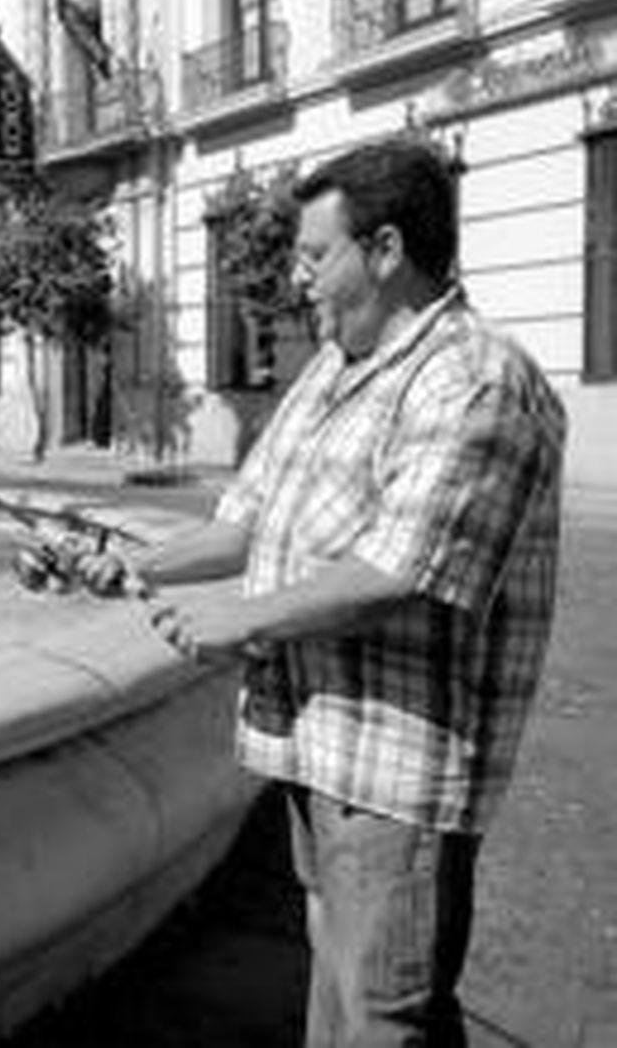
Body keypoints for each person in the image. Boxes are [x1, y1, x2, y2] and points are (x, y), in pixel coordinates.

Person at [55, 138, 566, 1047]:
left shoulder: (478, 382)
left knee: (385, 1018)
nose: (297, 278)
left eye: (313, 255)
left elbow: (401, 571)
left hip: (397, 775)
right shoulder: (332, 370)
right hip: (314, 745)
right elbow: (244, 524)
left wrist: (237, 618)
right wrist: (136, 568)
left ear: (386, 250)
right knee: (336, 994)